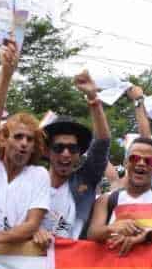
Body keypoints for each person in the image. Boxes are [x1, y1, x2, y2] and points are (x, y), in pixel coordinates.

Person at [0, 41, 50, 253]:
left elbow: (32, 224)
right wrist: (6, 75)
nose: (24, 143)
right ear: (3, 139)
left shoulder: (39, 175)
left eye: (30, 139)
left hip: (14, 266)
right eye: (18, 137)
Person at [33, 71, 111, 245]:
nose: (66, 154)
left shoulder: (86, 179)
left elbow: (102, 143)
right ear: (46, 151)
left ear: (79, 153)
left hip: (74, 265)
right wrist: (33, 230)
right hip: (32, 263)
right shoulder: (30, 181)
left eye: (72, 148)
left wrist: (93, 98)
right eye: (59, 148)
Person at [87, 137, 152, 255]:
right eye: (134, 158)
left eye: (148, 161)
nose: (141, 163)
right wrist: (113, 228)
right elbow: (92, 233)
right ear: (125, 163)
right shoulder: (106, 199)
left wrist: (148, 235)